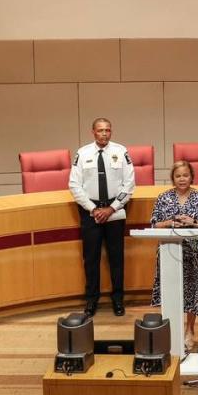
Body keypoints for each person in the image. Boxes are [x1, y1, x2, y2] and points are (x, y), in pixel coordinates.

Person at [69, 118, 135, 317]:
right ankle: (91, 300)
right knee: (91, 259)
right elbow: (74, 185)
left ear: (111, 131)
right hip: (91, 212)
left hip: (115, 210)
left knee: (116, 258)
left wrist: (111, 208)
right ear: (93, 132)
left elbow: (129, 184)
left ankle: (118, 300)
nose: (104, 134)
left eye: (107, 130)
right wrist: (93, 208)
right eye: (100, 130)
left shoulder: (121, 151)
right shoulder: (82, 153)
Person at [150, 160, 198, 352]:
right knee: (172, 291)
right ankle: (172, 330)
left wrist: (192, 221)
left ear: (191, 177)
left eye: (185, 175)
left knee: (193, 292)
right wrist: (171, 222)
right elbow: (154, 224)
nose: (182, 179)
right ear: (173, 178)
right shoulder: (163, 198)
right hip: (170, 251)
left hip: (195, 254)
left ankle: (189, 328)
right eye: (178, 176)